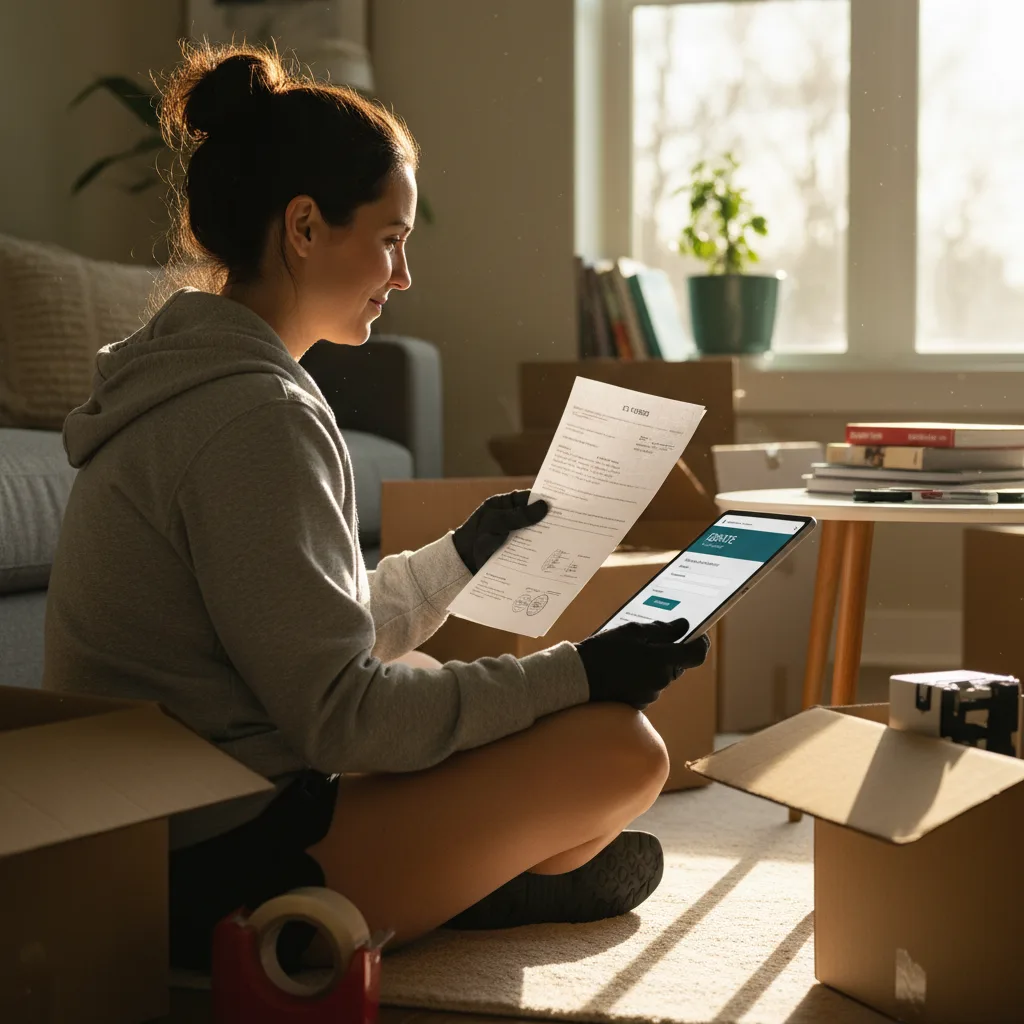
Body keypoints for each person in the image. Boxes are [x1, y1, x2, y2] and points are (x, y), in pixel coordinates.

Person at [42, 42, 710, 972]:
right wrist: (581, 674)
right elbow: (344, 715)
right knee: (623, 753)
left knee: (516, 736)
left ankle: (463, 880)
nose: (402, 276)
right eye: (392, 238)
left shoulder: (200, 384)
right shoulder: (251, 415)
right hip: (208, 868)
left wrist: (457, 559)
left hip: (163, 825)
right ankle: (467, 890)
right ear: (306, 227)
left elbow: (299, 631)